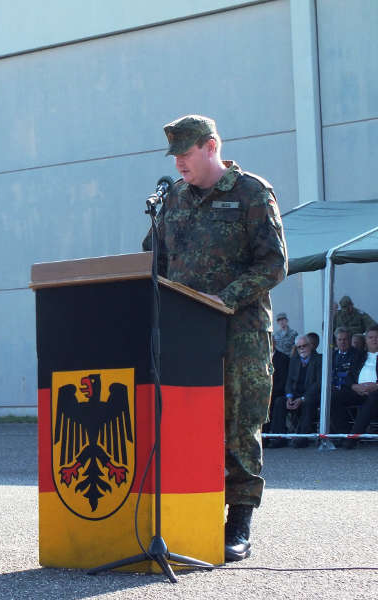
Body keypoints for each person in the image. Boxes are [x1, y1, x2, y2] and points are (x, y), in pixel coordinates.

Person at [143, 115, 287, 562]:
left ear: (210, 147)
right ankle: (191, 514)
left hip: (239, 332)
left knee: (239, 425)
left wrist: (222, 299)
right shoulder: (174, 200)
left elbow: (274, 265)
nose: (180, 163)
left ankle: (238, 522)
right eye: (176, 157)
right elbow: (154, 259)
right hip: (185, 333)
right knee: (187, 421)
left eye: (186, 154)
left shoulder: (251, 193)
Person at [267, 335, 321, 448]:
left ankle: (302, 438)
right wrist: (289, 396)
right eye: (299, 347)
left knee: (308, 403)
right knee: (279, 402)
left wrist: (302, 399)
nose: (302, 349)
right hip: (295, 394)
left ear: (310, 346)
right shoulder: (294, 360)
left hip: (309, 396)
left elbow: (318, 384)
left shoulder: (319, 359)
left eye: (304, 346)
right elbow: (289, 381)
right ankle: (279, 438)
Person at [331, 325, 378, 449]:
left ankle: (353, 437)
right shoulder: (359, 355)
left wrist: (376, 386)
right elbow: (349, 376)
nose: (374, 340)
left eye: (377, 337)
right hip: (358, 391)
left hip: (375, 393)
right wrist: (354, 386)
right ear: (366, 340)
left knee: (373, 397)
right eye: (371, 337)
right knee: (333, 396)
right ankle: (344, 433)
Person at [332, 327, 361, 393]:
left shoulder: (357, 355)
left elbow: (352, 375)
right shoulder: (332, 355)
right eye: (340, 339)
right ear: (336, 341)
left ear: (350, 340)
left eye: (345, 339)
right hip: (332, 387)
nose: (342, 342)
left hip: (348, 388)